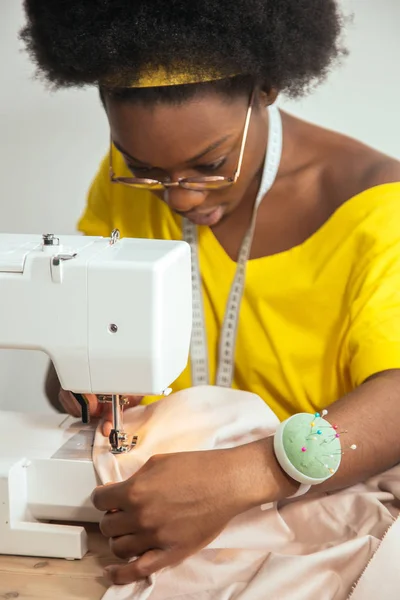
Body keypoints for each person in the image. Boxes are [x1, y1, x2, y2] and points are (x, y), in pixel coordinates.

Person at [21, 0, 400, 587]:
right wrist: (80, 379)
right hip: (170, 500)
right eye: (143, 168)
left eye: (210, 164)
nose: (179, 200)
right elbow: (76, 341)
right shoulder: (134, 184)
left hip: (312, 496)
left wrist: (250, 475)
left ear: (267, 89)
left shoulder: (377, 207)